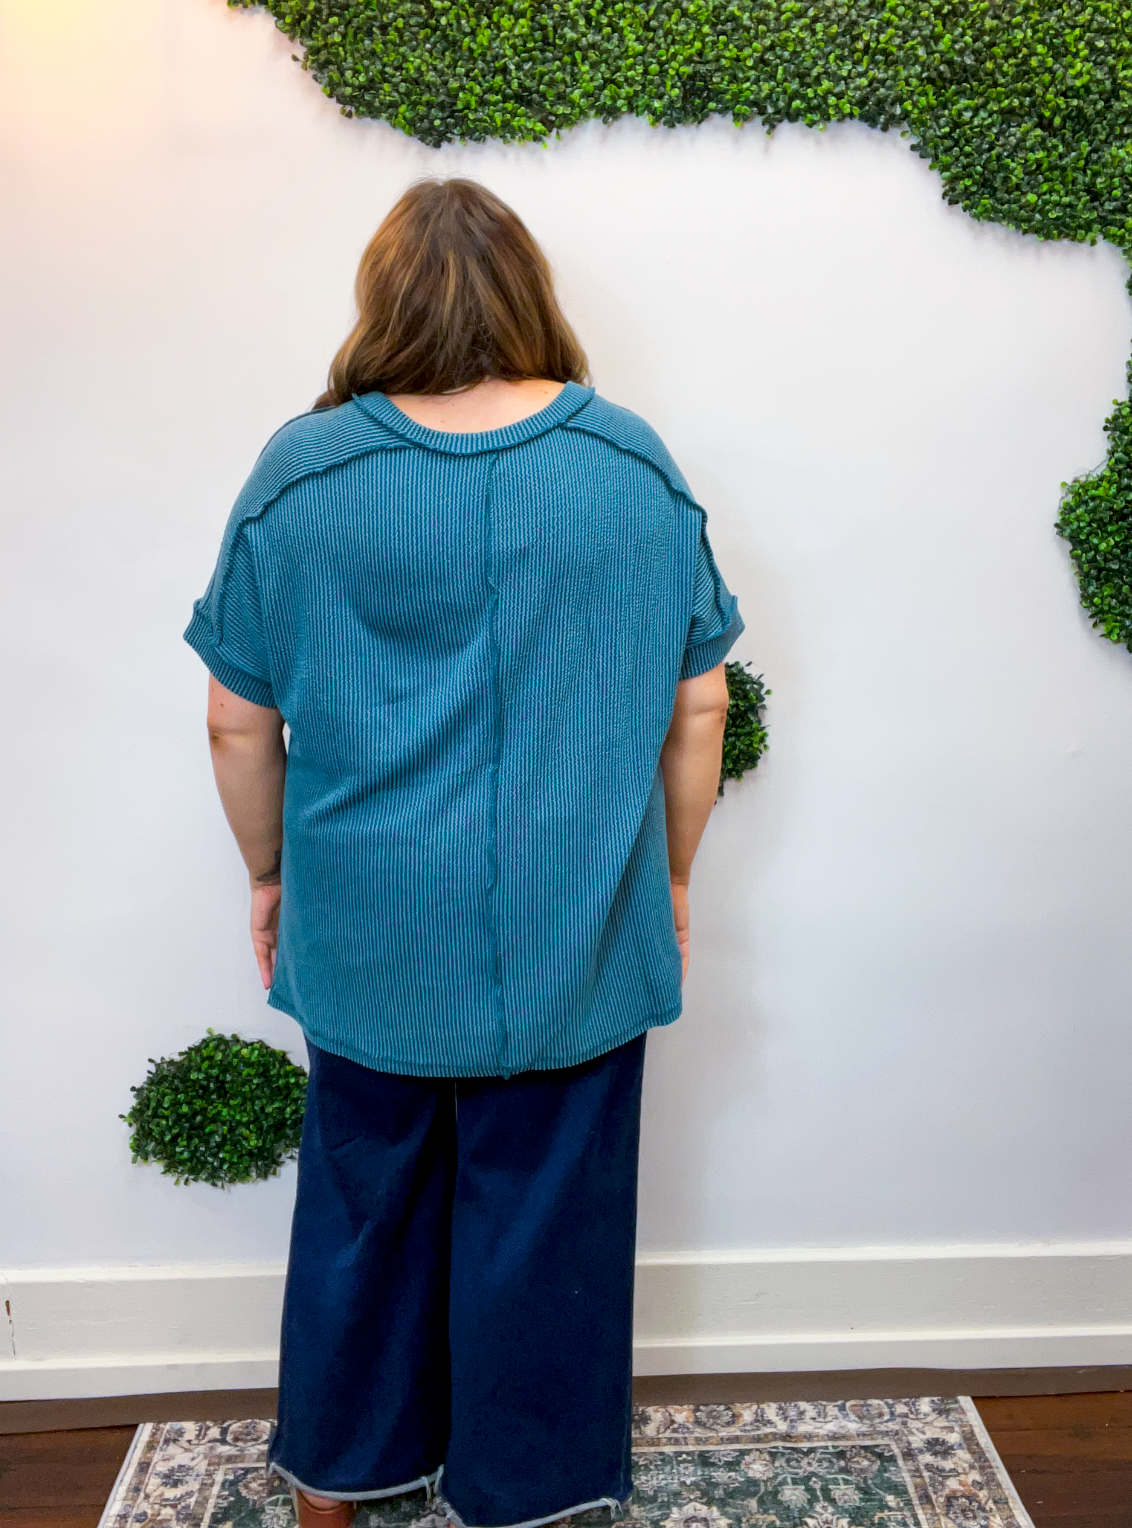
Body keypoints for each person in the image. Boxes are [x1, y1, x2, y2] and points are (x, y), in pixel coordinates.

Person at [185, 178, 743, 1528]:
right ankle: (522, 1491)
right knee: (546, 1217)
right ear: (529, 294)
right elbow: (700, 705)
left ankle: (337, 1480)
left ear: (382, 301)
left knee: (363, 1210)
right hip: (577, 919)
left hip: (371, 922)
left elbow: (235, 719)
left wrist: (268, 876)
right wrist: (672, 877)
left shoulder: (303, 473)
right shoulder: (631, 466)